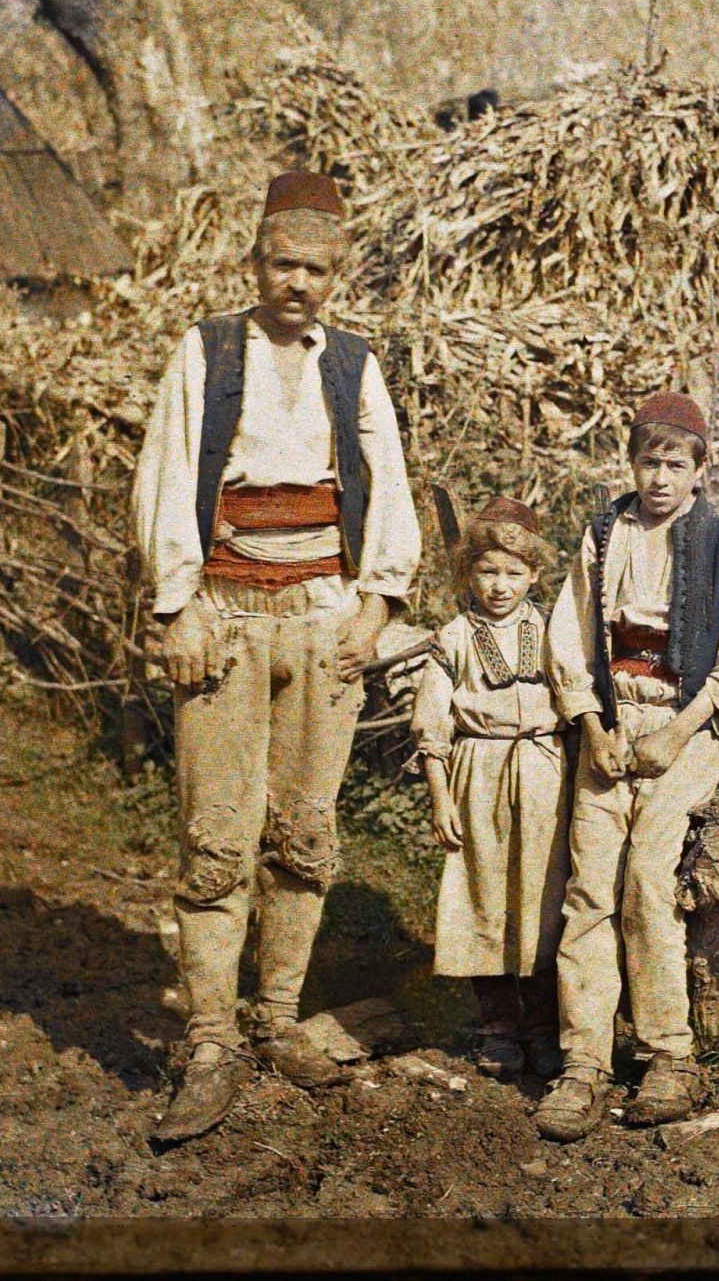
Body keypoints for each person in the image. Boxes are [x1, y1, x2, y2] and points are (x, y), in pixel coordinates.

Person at [130, 170, 421, 1142]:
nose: (298, 281)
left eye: (316, 268)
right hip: (224, 617)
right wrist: (177, 608)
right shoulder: (205, 353)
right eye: (282, 262)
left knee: (303, 832)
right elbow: (166, 477)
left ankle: (279, 1019)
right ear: (254, 261)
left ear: (335, 276)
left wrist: (376, 602)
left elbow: (386, 481)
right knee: (216, 837)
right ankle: (210, 1040)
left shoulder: (352, 364)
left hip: (321, 619)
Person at [535, 393, 719, 1142]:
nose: (660, 477)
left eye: (676, 463)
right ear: (631, 462)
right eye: (649, 461)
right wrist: (590, 723)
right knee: (588, 889)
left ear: (701, 469)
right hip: (613, 724)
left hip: (685, 728)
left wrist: (676, 733)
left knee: (645, 879)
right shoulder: (605, 533)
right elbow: (570, 636)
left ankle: (669, 1052)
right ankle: (582, 1063)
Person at [409, 498, 568, 1081]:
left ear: (533, 575)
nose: (500, 587)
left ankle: (545, 1027)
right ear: (468, 574)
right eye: (487, 572)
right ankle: (499, 1027)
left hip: (545, 769)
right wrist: (440, 795)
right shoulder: (452, 638)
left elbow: (577, 698)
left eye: (513, 573)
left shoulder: (554, 630)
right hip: (478, 772)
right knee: (485, 896)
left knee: (544, 897)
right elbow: (431, 724)